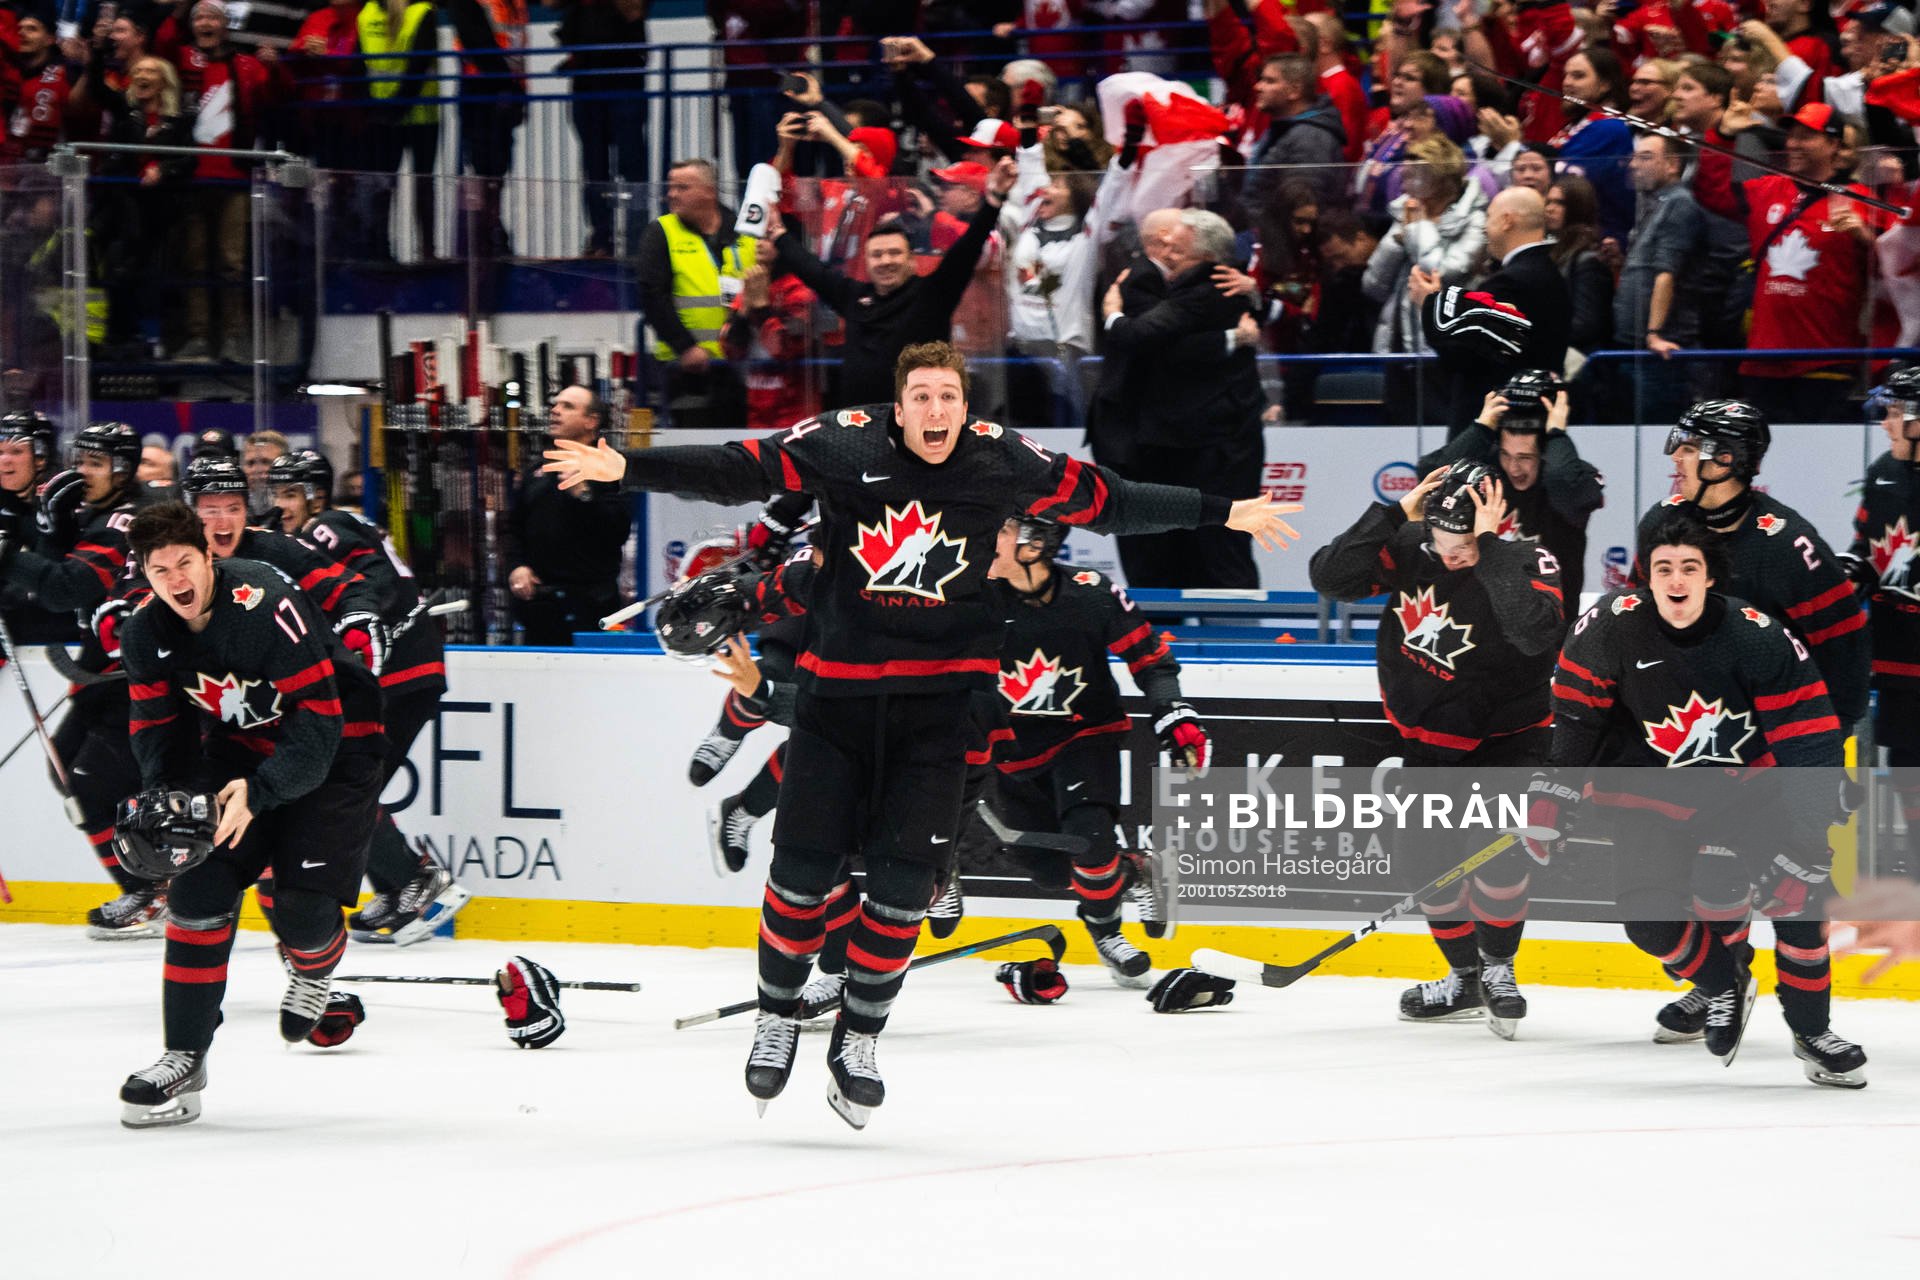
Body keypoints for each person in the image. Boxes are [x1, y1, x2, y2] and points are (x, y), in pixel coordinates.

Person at [541, 341, 1301, 1128]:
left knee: (906, 892)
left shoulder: (1003, 461)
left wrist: (1224, 510)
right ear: (898, 406)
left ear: (965, 407)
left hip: (939, 715)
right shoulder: (842, 441)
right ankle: (776, 1018)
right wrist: (628, 468)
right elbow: (743, 467)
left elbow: (1108, 499)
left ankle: (860, 1039)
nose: (936, 412)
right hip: (837, 708)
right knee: (801, 877)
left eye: (949, 398)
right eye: (922, 398)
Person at [1552, 509, 1864, 1085]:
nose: (1676, 580)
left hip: (1749, 791)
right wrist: (1551, 798)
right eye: (1664, 567)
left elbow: (1811, 741)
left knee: (1801, 901)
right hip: (1652, 794)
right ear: (1646, 575)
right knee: (1649, 921)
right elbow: (1575, 718)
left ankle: (1811, 1030)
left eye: (1689, 568)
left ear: (1709, 576)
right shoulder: (1608, 626)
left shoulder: (1756, 635)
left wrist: (1808, 842)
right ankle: (1723, 983)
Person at [114, 501, 387, 1127]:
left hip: (339, 748)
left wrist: (259, 795)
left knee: (303, 912)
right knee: (198, 883)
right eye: (160, 571)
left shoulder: (263, 603)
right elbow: (157, 731)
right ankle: (184, 1054)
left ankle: (315, 971)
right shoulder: (144, 635)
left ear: (210, 557)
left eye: (186, 562)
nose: (176, 580)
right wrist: (170, 802)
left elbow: (320, 724)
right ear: (146, 577)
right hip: (237, 755)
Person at [1310, 461, 1564, 1033]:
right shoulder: (1408, 544)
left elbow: (1533, 631)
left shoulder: (1529, 559)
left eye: (1464, 547)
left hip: (1506, 740)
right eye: (1442, 544)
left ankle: (1499, 967)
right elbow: (1330, 577)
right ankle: (1465, 977)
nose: (1451, 558)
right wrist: (1393, 513)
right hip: (1427, 741)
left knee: (1498, 858)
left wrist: (1491, 550)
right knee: (1427, 868)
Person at [983, 517, 1204, 986]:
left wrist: (1173, 711)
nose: (982, 538)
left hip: (1086, 735)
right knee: (1046, 870)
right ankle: (1136, 869)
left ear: (1033, 545)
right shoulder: (973, 597)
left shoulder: (1090, 592)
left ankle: (1106, 933)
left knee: (1090, 838)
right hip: (1013, 750)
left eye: (998, 530)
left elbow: (1150, 657)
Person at [271, 449, 468, 942]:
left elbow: (375, 578)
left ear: (315, 493)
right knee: (353, 785)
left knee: (345, 785)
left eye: (290, 493)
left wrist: (359, 619)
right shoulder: (314, 533)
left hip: (398, 670)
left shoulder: (326, 525)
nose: (281, 504)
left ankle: (416, 879)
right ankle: (398, 884)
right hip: (398, 671)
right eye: (277, 494)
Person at [1637, 400, 1871, 736]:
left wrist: (1833, 734)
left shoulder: (1789, 546)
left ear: (1724, 460)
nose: (1675, 457)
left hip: (1769, 731)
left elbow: (1844, 644)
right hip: (1680, 717)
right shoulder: (1660, 523)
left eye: (1688, 448)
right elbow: (1635, 621)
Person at [0, 422, 150, 936]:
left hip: (140, 673)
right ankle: (142, 889)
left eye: (95, 464)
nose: (82, 472)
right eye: (80, 460)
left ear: (123, 470)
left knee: (96, 780)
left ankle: (155, 887)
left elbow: (71, 587)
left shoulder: (132, 515)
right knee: (67, 771)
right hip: (104, 669)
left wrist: (11, 558)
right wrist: (52, 529)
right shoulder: (99, 512)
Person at [1099, 209, 1266, 589]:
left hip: (1209, 439)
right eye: (1171, 244)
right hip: (1155, 440)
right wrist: (1233, 335)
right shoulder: (1147, 280)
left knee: (1215, 544)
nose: (1172, 254)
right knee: (1168, 548)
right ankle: (1171, 635)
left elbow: (1147, 337)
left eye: (1181, 248)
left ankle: (1230, 638)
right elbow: (1158, 345)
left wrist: (1112, 317)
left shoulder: (1208, 284)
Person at [771, 160, 1015, 409]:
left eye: (894, 253)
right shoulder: (854, 297)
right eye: (877, 255)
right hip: (859, 427)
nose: (885, 261)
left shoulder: (932, 294)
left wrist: (994, 199)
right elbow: (812, 271)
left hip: (920, 424)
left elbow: (967, 250)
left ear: (911, 260)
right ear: (866, 262)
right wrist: (777, 233)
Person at [1719, 102, 1882, 423]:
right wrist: (1724, 136)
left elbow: (1898, 267)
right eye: (1791, 135)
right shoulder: (1766, 189)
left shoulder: (1862, 198)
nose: (1793, 144)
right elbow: (1714, 193)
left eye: (1806, 136)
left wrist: (1866, 238)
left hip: (1826, 360)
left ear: (1834, 144)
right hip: (1763, 359)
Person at [1418, 370, 1604, 606]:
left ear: (1546, 452)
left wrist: (1556, 433)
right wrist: (1481, 428)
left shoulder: (1578, 475)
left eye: (1525, 457)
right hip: (1485, 624)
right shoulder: (1487, 471)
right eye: (1506, 455)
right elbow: (1429, 478)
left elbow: (1565, 485)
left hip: (1547, 627)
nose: (1514, 468)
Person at [1407, 185, 1569, 435]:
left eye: (1489, 217)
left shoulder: (1511, 282)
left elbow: (1464, 357)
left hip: (1496, 431)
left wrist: (1430, 305)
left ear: (1507, 221)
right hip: (1530, 423)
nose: (1484, 227)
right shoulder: (1549, 273)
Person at [1847, 372, 1920, 877]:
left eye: (1896, 412)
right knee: (1905, 762)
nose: (1887, 422)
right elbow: (1867, 544)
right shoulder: (1883, 473)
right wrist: (1850, 570)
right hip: (1897, 651)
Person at [1364, 134, 1488, 428]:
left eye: (1414, 175)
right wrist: (1396, 241)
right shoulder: (1404, 215)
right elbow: (1373, 284)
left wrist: (1417, 230)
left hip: (1446, 345)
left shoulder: (1475, 219)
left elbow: (1446, 271)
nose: (1404, 182)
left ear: (1440, 179)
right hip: (1400, 345)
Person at [504, 385, 632, 645]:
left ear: (591, 421)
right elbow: (513, 528)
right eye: (555, 404)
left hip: (591, 606)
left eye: (567, 406)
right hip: (540, 605)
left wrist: (583, 495)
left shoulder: (610, 469)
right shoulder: (537, 469)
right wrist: (516, 566)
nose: (555, 411)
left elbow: (618, 531)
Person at [637, 158, 754, 429]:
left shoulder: (743, 231)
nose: (672, 194)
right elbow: (652, 296)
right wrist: (685, 347)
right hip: (686, 369)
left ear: (709, 191)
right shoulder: (662, 232)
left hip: (743, 365)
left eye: (682, 187)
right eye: (670, 187)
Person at [1611, 133, 1707, 424]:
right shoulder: (1656, 204)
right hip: (1636, 347)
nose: (1634, 165)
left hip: (1658, 353)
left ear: (1673, 164)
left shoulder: (1679, 205)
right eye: (1635, 157)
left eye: (1646, 157)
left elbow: (1667, 274)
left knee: (1658, 433)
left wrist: (1654, 334)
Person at [557, 0, 649, 258]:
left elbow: (634, 9)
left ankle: (638, 237)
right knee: (594, 167)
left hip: (624, 81)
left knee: (633, 164)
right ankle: (600, 237)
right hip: (587, 84)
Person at [358, 0, 442, 262]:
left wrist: (390, 110)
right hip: (386, 116)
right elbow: (360, 65)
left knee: (422, 184)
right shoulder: (367, 13)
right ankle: (381, 250)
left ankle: (427, 252)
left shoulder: (422, 12)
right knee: (382, 187)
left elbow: (418, 66)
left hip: (417, 115)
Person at [1547, 49, 1636, 242]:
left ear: (1605, 85)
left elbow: (1559, 177)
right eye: (1566, 75)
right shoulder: (1579, 124)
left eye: (1578, 76)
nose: (1566, 83)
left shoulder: (1609, 128)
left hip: (1598, 241)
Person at [1243, 53, 1348, 212]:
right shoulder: (1285, 130)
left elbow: (1302, 207)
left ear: (1295, 91)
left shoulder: (1311, 138)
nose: (1258, 87)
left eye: (1269, 81)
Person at [1546, 177, 1614, 379]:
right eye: (1547, 202)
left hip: (1582, 367)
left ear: (1577, 206)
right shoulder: (1558, 251)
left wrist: (1543, 333)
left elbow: (1586, 324)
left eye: (1558, 203)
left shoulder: (1588, 259)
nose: (1549, 208)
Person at [241, 430, 288, 524]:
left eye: (265, 462)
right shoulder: (238, 511)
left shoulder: (294, 511)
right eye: (251, 463)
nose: (256, 469)